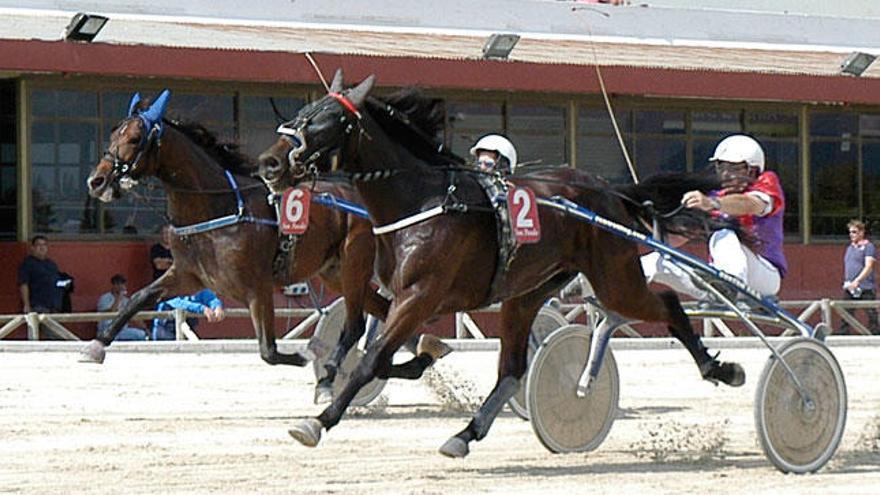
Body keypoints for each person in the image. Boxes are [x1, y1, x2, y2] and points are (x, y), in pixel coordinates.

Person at [641, 134, 787, 301]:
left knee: (724, 233)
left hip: (764, 277)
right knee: (655, 261)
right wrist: (646, 220)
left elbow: (750, 204)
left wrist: (711, 203)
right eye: (721, 167)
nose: (725, 175)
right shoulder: (715, 197)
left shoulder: (765, 184)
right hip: (716, 282)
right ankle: (608, 296)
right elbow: (674, 239)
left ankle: (731, 283)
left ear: (752, 170)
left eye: (733, 168)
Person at [840, 219, 879, 335]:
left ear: (862, 232)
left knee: (871, 312)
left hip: (865, 286)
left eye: (854, 232)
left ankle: (875, 334)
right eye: (850, 232)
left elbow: (869, 266)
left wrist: (858, 280)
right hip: (849, 285)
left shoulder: (869, 247)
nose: (851, 235)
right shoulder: (850, 248)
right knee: (846, 311)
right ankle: (844, 334)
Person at [17, 235, 66, 314]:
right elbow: (23, 284)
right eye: (39, 245)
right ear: (32, 248)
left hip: (54, 306)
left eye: (44, 245)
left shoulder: (51, 264)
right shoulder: (27, 264)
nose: (42, 248)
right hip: (38, 306)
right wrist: (26, 304)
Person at [152, 289, 225, 341]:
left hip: (187, 326)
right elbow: (176, 302)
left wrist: (217, 306)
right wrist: (202, 308)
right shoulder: (172, 287)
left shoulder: (198, 289)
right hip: (165, 328)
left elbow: (210, 297)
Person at [96, 274, 148, 341]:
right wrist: (119, 298)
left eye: (122, 283)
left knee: (141, 334)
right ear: (113, 285)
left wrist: (145, 329)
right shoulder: (104, 298)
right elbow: (112, 311)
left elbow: (133, 315)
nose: (120, 286)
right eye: (117, 284)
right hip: (106, 330)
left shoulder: (126, 300)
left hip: (122, 330)